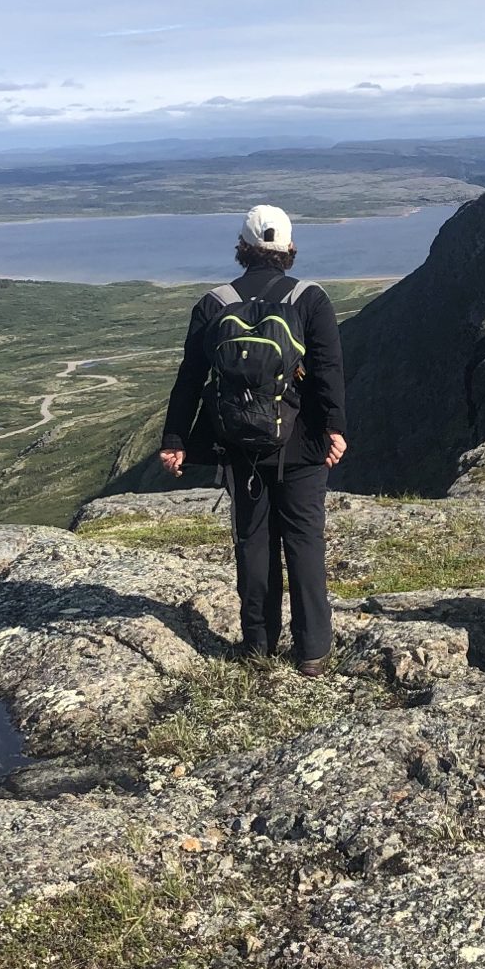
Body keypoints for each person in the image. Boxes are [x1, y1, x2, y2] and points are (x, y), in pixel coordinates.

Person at [159, 204, 347, 675]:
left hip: (238, 443)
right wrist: (335, 429)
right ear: (288, 249)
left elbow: (190, 379)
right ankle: (312, 653)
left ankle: (258, 645)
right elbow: (328, 375)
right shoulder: (311, 299)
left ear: (243, 248)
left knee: (253, 542)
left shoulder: (214, 303)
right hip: (301, 445)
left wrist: (176, 438)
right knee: (304, 542)